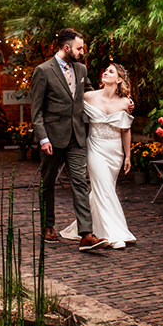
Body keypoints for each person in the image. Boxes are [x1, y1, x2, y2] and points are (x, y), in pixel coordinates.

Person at [30, 28, 109, 252]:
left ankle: (86, 234)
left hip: (77, 136)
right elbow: (36, 111)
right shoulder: (43, 71)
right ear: (67, 48)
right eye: (79, 48)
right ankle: (48, 226)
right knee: (48, 183)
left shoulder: (82, 69)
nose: (82, 52)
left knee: (80, 183)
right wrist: (42, 138)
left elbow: (93, 97)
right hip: (52, 138)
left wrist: (121, 102)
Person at [60, 63, 136, 249]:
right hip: (95, 148)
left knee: (105, 189)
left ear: (119, 79)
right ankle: (114, 234)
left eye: (111, 71)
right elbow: (70, 104)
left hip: (115, 151)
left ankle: (88, 227)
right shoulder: (88, 97)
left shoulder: (126, 102)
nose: (106, 73)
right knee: (103, 189)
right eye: (106, 70)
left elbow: (125, 131)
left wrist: (127, 156)